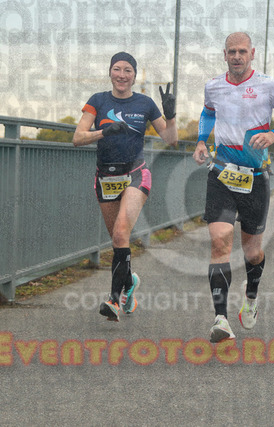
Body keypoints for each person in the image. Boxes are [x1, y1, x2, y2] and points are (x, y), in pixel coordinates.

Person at [192, 32, 274, 342]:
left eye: (242, 51)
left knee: (252, 251)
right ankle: (220, 319)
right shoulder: (213, 86)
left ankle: (252, 296)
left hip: (255, 177)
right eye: (232, 51)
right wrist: (202, 140)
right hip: (221, 174)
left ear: (252, 53)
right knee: (219, 243)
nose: (237, 56)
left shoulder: (269, 86)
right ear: (224, 54)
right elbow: (208, 112)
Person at [72, 52, 178, 321]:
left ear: (134, 75)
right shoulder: (97, 101)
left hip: (135, 174)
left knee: (121, 233)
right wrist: (103, 132)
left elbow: (171, 139)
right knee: (118, 241)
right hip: (105, 178)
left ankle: (113, 300)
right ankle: (129, 283)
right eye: (117, 69)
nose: (122, 75)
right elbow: (77, 138)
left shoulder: (145, 103)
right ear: (110, 72)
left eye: (127, 70)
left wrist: (171, 115)